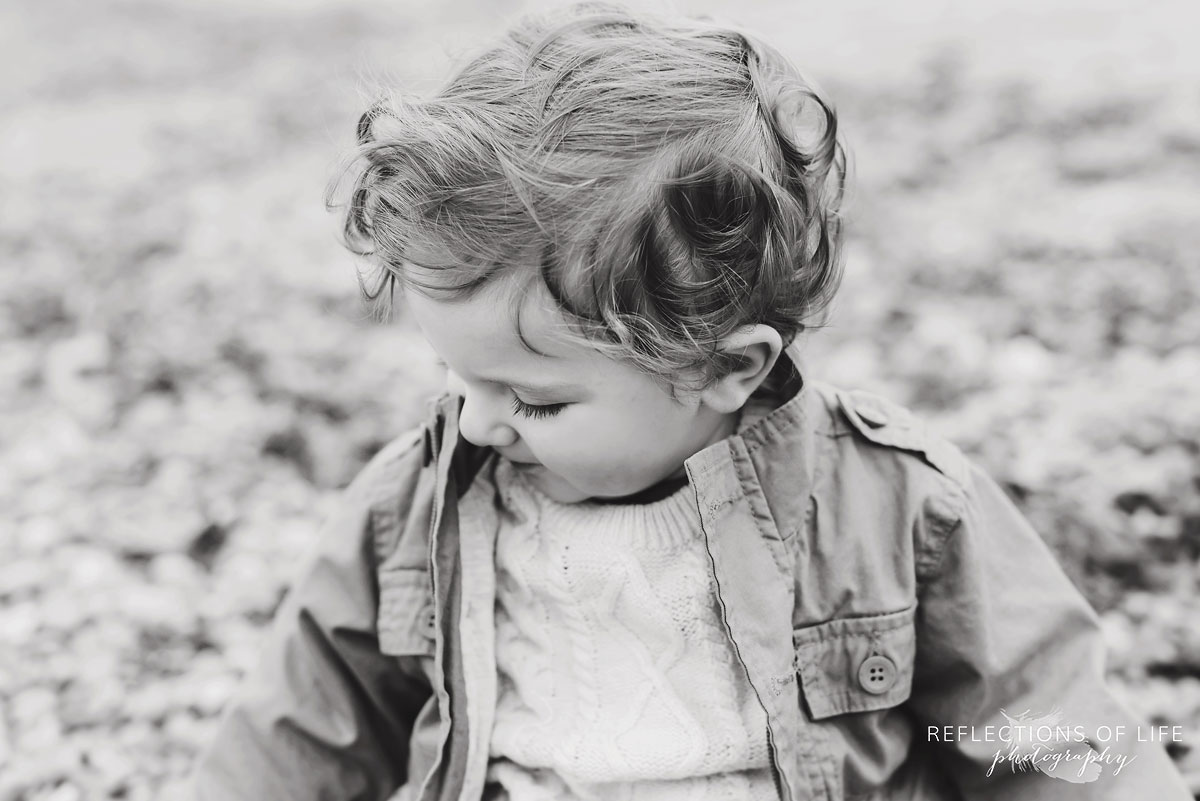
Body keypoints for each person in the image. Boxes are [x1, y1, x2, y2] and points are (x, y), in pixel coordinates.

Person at [186, 4, 1193, 800]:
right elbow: (303, 725)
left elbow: (1042, 724)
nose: (480, 422)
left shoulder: (891, 506)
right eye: (458, 380)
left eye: (534, 403)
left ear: (726, 370)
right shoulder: (420, 500)